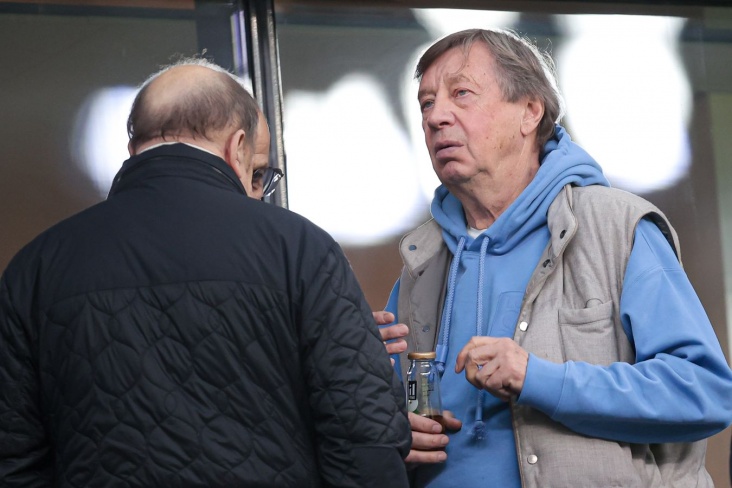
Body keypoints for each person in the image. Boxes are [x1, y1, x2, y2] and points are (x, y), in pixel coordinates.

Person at [0, 58, 411, 487]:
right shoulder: (299, 248)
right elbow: (365, 440)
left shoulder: (35, 269)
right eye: (258, 175)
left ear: (133, 150)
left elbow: (13, 459)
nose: (257, 191)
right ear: (238, 147)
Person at [383, 28, 732, 487]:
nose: (436, 117)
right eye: (426, 103)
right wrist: (391, 431)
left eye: (461, 94)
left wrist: (538, 379)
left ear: (530, 111)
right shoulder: (420, 264)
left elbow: (703, 392)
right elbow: (394, 415)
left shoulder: (616, 227)